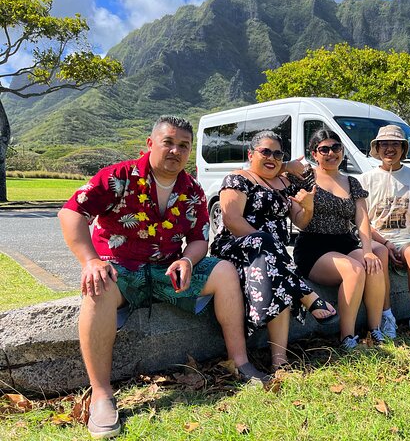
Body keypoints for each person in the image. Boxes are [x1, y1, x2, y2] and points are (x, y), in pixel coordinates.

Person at [58, 116, 268, 439]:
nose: (175, 151)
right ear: (150, 143)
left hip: (167, 271)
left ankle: (240, 362)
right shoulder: (118, 177)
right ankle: (101, 394)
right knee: (97, 286)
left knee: (225, 270)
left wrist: (187, 259)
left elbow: (199, 239)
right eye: (168, 142)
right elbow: (72, 212)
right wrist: (90, 261)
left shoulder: (192, 189)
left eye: (183, 145)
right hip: (119, 268)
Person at [209, 130, 340, 363]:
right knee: (270, 251)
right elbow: (232, 220)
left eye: (278, 154)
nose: (272, 158)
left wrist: (308, 206)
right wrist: (264, 242)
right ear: (251, 154)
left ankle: (280, 361)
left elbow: (300, 221)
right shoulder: (238, 178)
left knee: (277, 274)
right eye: (266, 152)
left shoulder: (285, 183)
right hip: (237, 248)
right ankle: (306, 294)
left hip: (273, 257)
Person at [290, 129, 388, 348]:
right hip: (314, 246)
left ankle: (375, 329)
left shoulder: (352, 182)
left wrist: (368, 251)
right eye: (324, 149)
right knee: (354, 269)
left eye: (336, 147)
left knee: (374, 263)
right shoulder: (304, 179)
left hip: (344, 241)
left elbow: (362, 218)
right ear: (314, 153)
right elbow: (298, 221)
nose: (331, 153)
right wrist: (288, 165)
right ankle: (347, 337)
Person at [360, 125, 410, 339]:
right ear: (377, 148)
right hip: (376, 238)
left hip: (407, 237)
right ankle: (387, 315)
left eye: (395, 144)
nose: (389, 148)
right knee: (379, 257)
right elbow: (361, 221)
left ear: (403, 148)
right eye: (384, 144)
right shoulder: (365, 179)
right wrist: (385, 242)